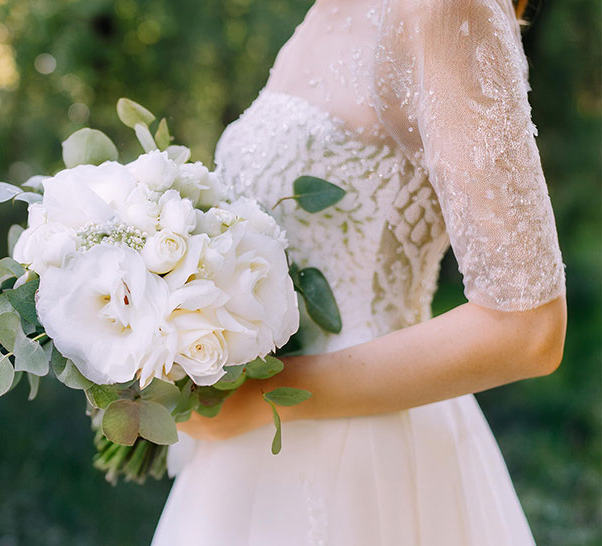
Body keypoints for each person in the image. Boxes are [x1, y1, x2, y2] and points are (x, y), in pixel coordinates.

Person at [152, 0, 567, 544]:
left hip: (364, 462)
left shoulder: (444, 8)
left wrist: (264, 397)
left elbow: (529, 329)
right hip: (241, 461)